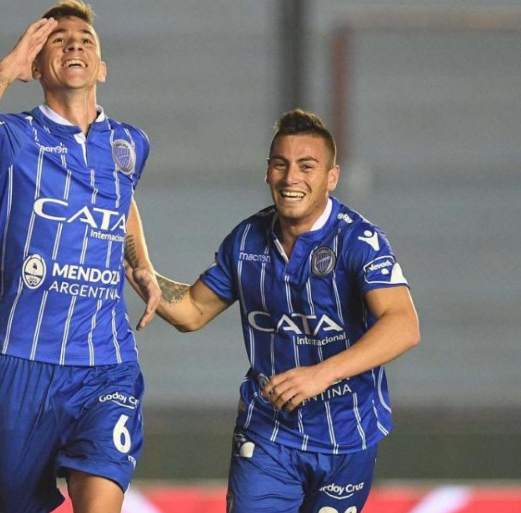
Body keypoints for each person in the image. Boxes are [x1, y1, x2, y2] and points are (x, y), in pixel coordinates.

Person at [127, 109, 420, 513]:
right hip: (269, 433)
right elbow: (192, 310)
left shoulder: (359, 241)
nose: (291, 177)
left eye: (306, 166)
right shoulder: (247, 240)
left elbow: (403, 325)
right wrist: (142, 270)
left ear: (331, 177)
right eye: (281, 164)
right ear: (268, 172)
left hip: (347, 435)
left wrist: (319, 375)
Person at [0, 2, 161, 512]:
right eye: (58, 40)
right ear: (38, 66)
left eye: (86, 39)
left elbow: (122, 199)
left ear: (101, 67)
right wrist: (8, 67)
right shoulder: (14, 138)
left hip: (107, 363)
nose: (75, 44)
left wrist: (139, 262)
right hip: (23, 361)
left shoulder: (130, 144)